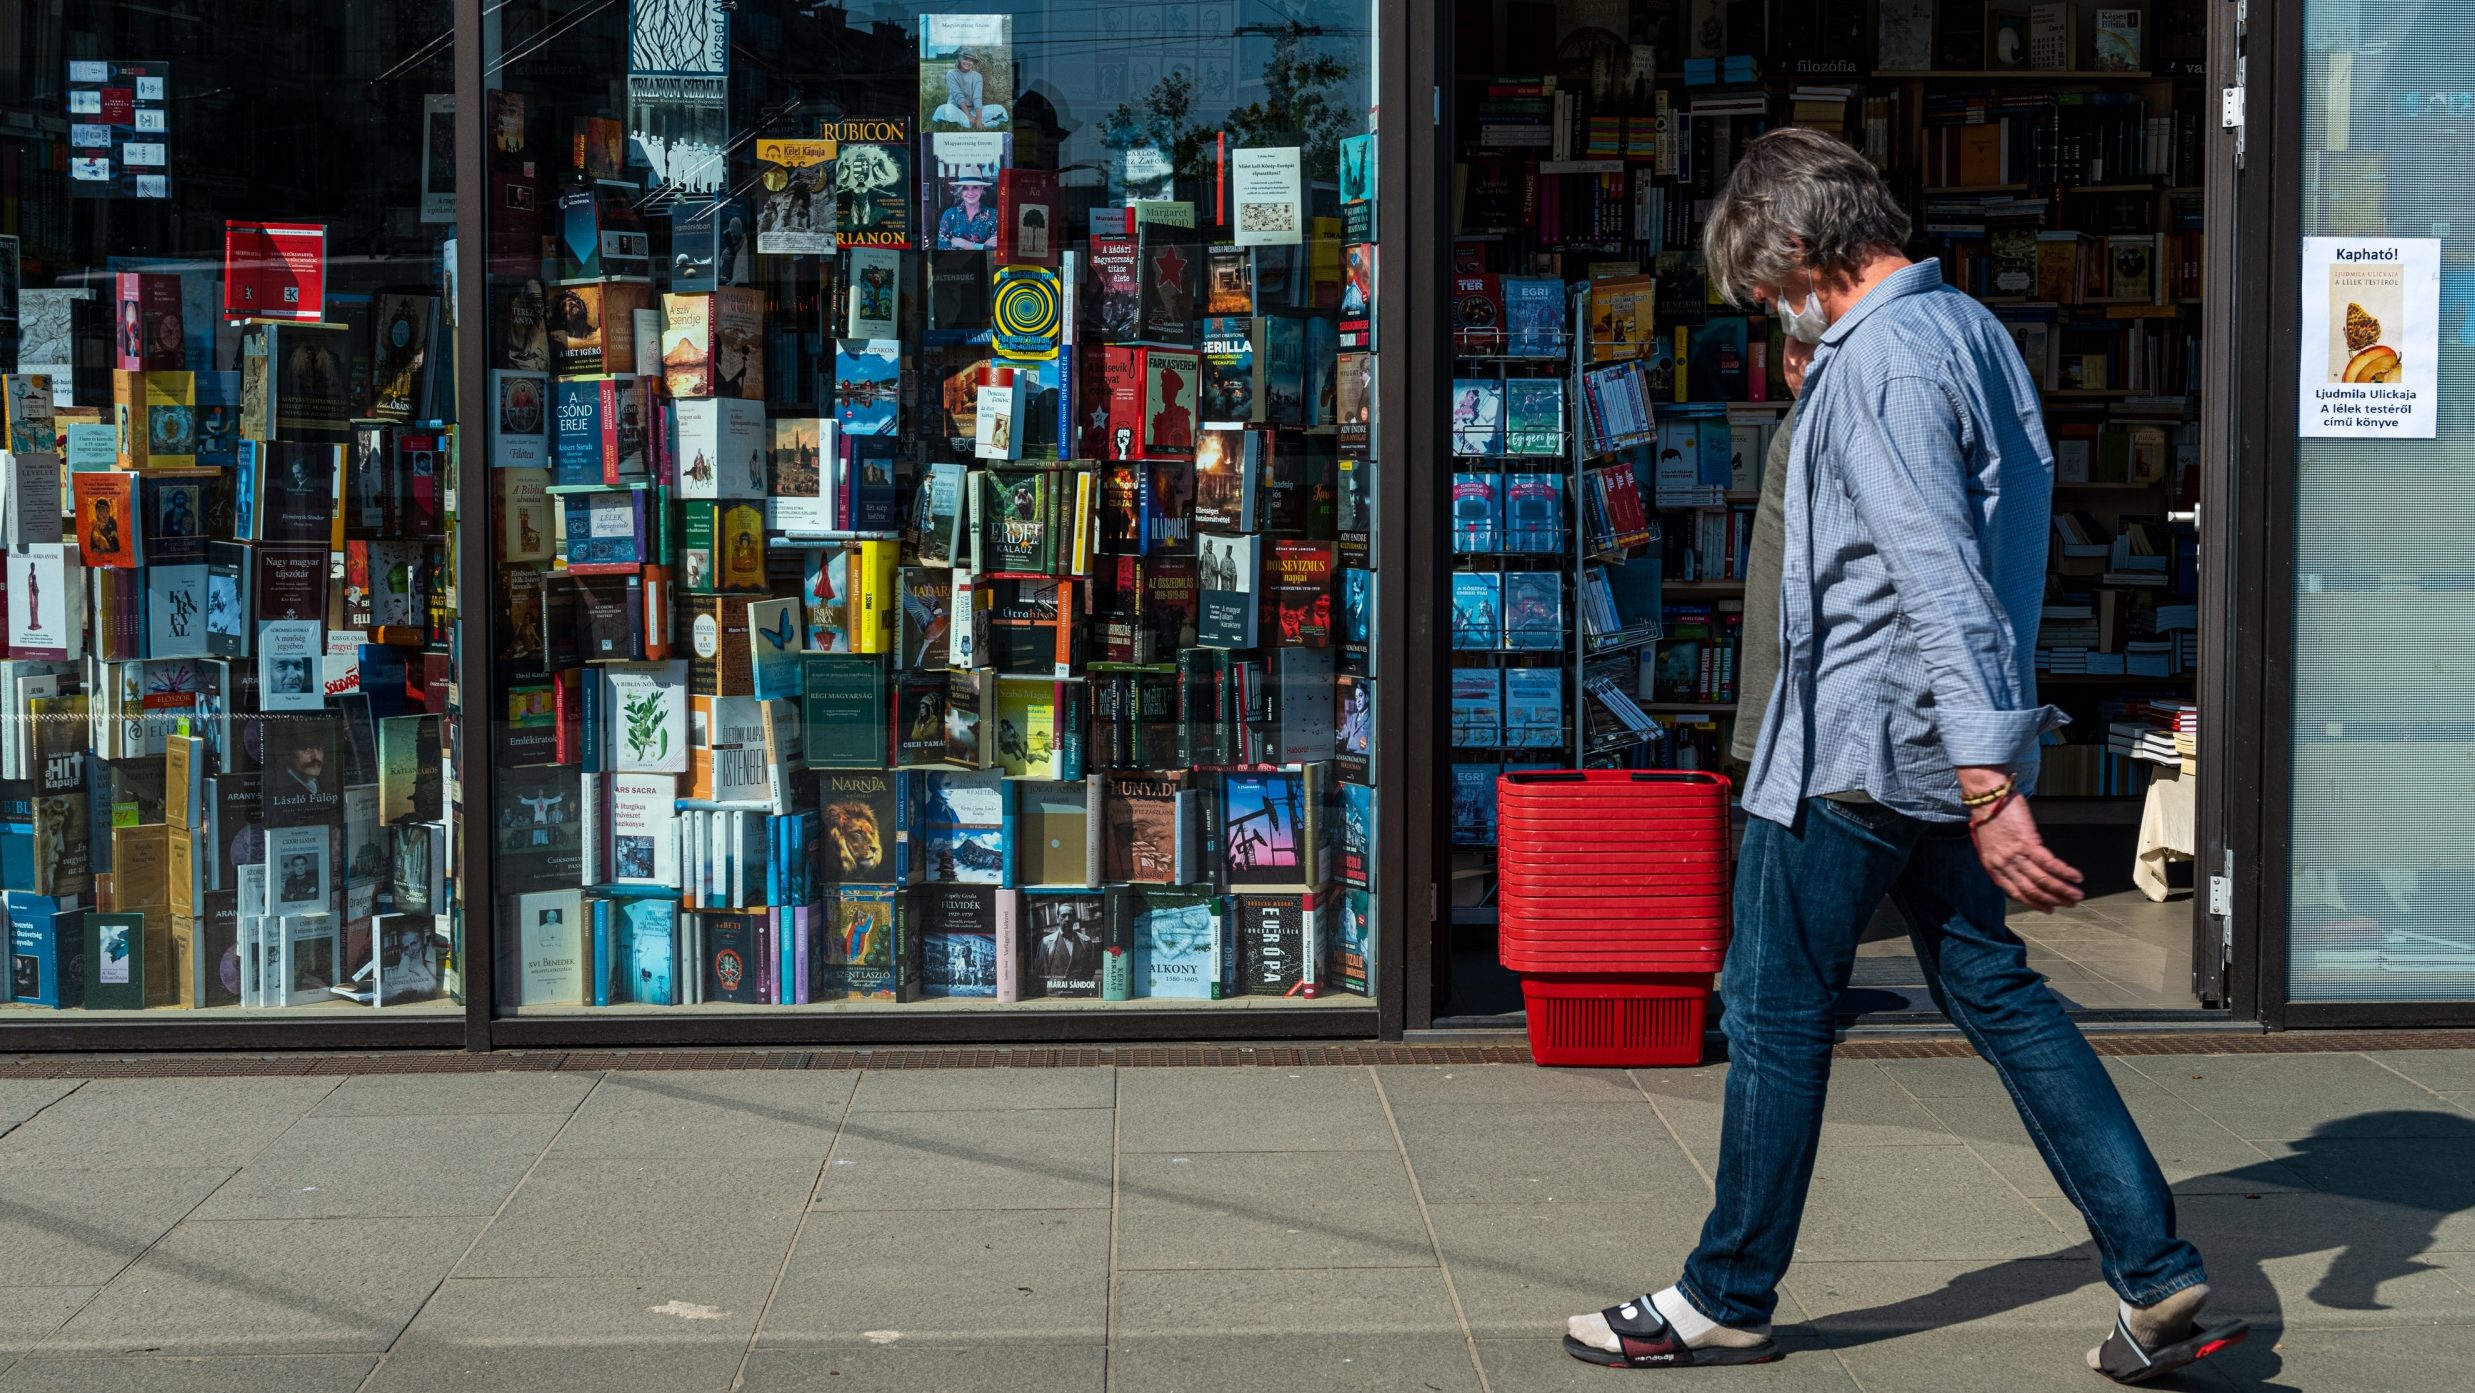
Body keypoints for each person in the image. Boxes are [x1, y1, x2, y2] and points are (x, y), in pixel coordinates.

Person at [1561, 128, 2247, 1384]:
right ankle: (2155, 1272)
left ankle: (1725, 1293)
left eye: (1766, 287)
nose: (1773, 313)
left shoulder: (1879, 363)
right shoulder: (1968, 332)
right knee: (1999, 993)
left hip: (1858, 747)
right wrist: (1983, 762)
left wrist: (1991, 782)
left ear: (1799, 247)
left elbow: (1936, 576)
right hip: (1929, 742)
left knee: (1772, 1013)